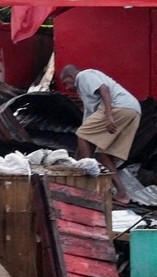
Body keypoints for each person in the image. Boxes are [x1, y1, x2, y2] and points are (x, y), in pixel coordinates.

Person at [60, 65, 141, 204]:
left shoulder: (84, 76)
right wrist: (76, 159)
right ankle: (122, 194)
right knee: (102, 154)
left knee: (83, 135)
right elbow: (86, 129)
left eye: (66, 83)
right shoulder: (85, 93)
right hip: (132, 110)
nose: (67, 88)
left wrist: (109, 115)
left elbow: (104, 89)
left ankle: (88, 184)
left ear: (71, 77)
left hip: (119, 106)